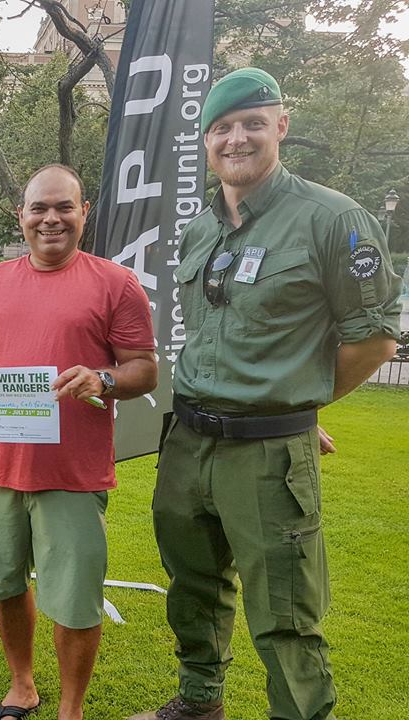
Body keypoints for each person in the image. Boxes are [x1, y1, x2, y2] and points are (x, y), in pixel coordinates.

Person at [129, 68, 402, 720]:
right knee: (193, 587)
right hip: (188, 441)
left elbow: (373, 340)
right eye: (222, 127)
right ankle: (199, 703)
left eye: (253, 123)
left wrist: (296, 405)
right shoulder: (200, 230)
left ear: (282, 124)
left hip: (268, 455)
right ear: (206, 140)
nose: (237, 138)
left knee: (285, 612)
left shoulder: (333, 219)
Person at [0, 164, 158, 720]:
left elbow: (145, 369)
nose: (51, 219)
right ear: (21, 216)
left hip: (73, 473)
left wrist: (102, 379)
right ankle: (22, 687)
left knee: (75, 601)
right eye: (39, 208)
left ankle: (70, 711)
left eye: (63, 207)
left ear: (84, 213)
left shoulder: (116, 282)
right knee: (4, 585)